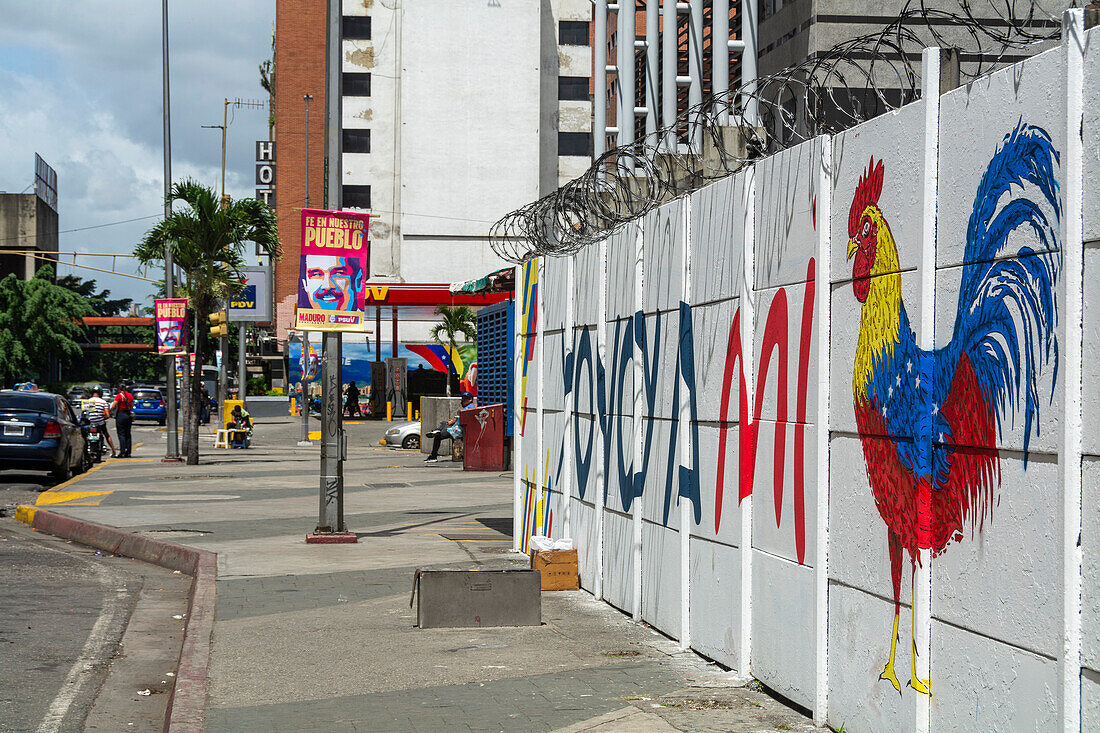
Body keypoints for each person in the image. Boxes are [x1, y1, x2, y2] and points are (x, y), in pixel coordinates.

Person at [424, 392, 474, 463]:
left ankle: (433, 456)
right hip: (458, 428)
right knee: (444, 423)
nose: (462, 401)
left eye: (464, 399)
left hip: (458, 432)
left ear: (470, 400)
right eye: (462, 399)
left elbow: (462, 420)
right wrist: (453, 422)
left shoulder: (468, 408)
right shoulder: (472, 407)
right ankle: (437, 430)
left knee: (438, 436)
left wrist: (452, 422)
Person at [85, 387, 117, 458]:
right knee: (106, 435)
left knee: (84, 435)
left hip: (91, 423)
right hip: (100, 423)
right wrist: (102, 418)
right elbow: (108, 415)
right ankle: (114, 451)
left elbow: (84, 414)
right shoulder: (103, 402)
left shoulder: (88, 401)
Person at [111, 382, 134, 458]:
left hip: (121, 414)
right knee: (128, 434)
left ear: (118, 388)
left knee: (121, 434)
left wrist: (113, 409)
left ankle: (122, 451)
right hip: (128, 414)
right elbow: (131, 406)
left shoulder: (119, 396)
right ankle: (129, 452)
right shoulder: (130, 395)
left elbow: (113, 406)